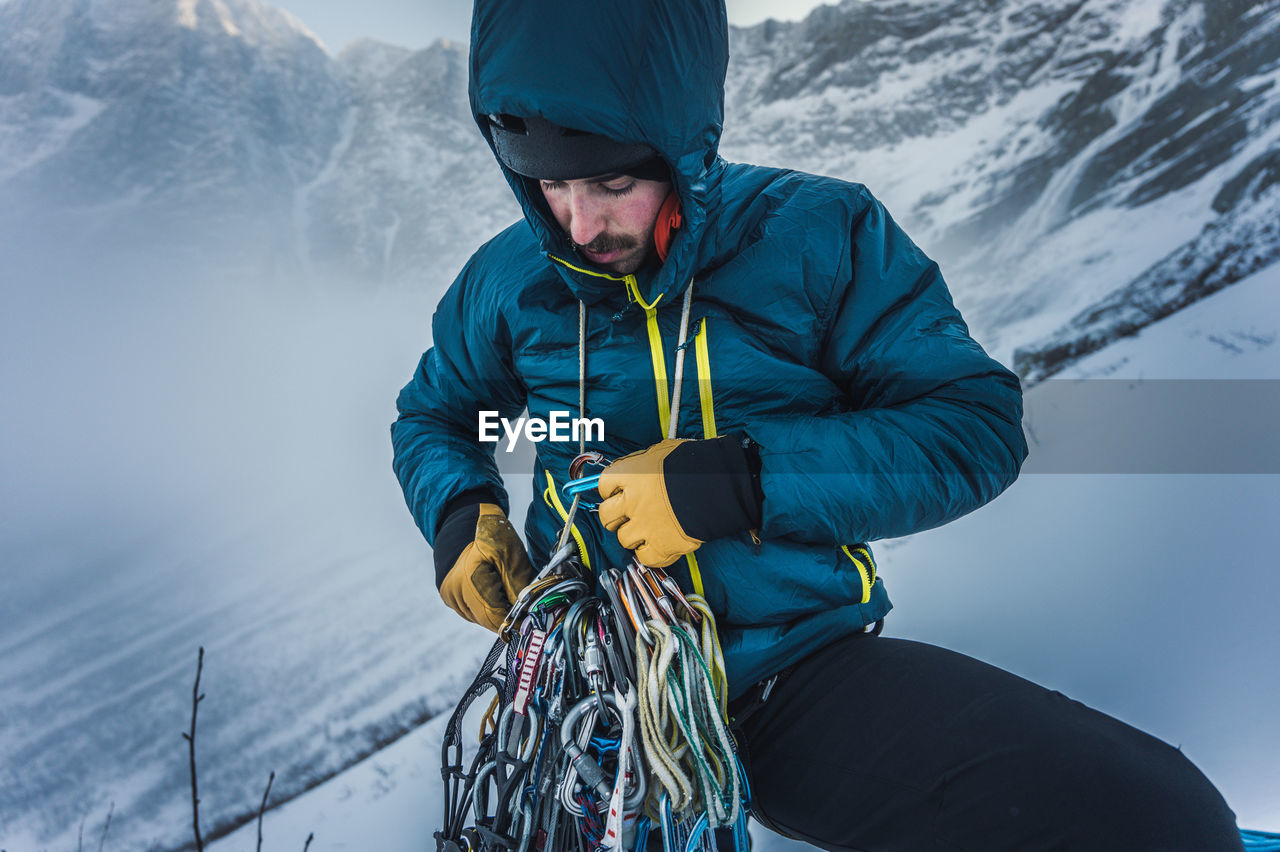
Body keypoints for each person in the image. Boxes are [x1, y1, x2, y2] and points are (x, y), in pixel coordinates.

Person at [392, 0, 1243, 848]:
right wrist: (460, 513)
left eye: (613, 183)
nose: (580, 225)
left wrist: (738, 484)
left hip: (796, 678)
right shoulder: (508, 280)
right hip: (586, 705)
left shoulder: (819, 235)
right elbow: (434, 414)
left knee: (1158, 819)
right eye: (551, 185)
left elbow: (972, 428)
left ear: (680, 150)